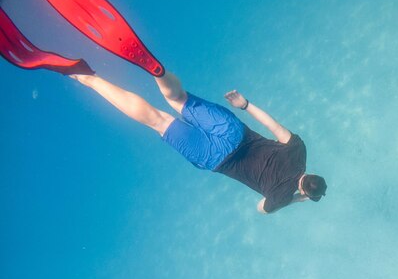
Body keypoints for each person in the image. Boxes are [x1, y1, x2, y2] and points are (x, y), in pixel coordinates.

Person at [72, 71, 327, 214]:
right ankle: (89, 79)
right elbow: (261, 208)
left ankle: (156, 70)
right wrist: (294, 199)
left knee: (178, 98)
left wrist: (245, 105)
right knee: (158, 120)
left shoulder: (299, 150)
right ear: (305, 191)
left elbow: (272, 125)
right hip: (216, 158)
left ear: (312, 172)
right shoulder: (281, 196)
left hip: (234, 132)